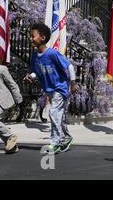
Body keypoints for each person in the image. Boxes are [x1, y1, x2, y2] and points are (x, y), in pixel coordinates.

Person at [24, 23, 79, 154]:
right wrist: (31, 76)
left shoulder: (53, 54)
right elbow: (37, 72)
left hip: (60, 88)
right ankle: (65, 137)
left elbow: (69, 66)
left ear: (42, 37)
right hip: (49, 90)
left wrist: (73, 83)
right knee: (58, 115)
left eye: (33, 36)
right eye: (30, 36)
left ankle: (55, 142)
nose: (30, 38)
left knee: (53, 113)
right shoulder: (35, 57)